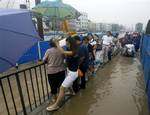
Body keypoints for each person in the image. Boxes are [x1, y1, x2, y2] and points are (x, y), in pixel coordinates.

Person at [46, 36, 80, 111]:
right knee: (68, 84)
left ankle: (55, 105)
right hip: (70, 71)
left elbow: (62, 52)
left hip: (73, 73)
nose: (66, 45)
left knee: (62, 88)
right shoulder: (70, 49)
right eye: (66, 43)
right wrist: (59, 39)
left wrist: (56, 43)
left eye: (67, 44)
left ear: (71, 43)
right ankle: (72, 92)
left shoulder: (74, 51)